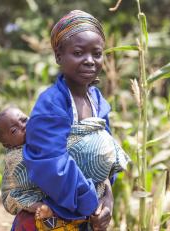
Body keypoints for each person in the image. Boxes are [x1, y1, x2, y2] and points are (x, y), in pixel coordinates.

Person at [22, 10, 118, 231]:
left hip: (87, 215)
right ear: (58, 56)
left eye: (97, 53)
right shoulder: (52, 104)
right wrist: (90, 202)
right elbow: (49, 162)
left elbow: (106, 152)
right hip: (52, 215)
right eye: (78, 53)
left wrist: (107, 198)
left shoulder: (98, 101)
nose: (89, 61)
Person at [0, 106, 130, 229]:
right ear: (8, 145)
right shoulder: (15, 158)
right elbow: (12, 195)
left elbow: (97, 158)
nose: (23, 126)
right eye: (14, 130)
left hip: (87, 209)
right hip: (48, 215)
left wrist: (108, 198)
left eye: (24, 120)